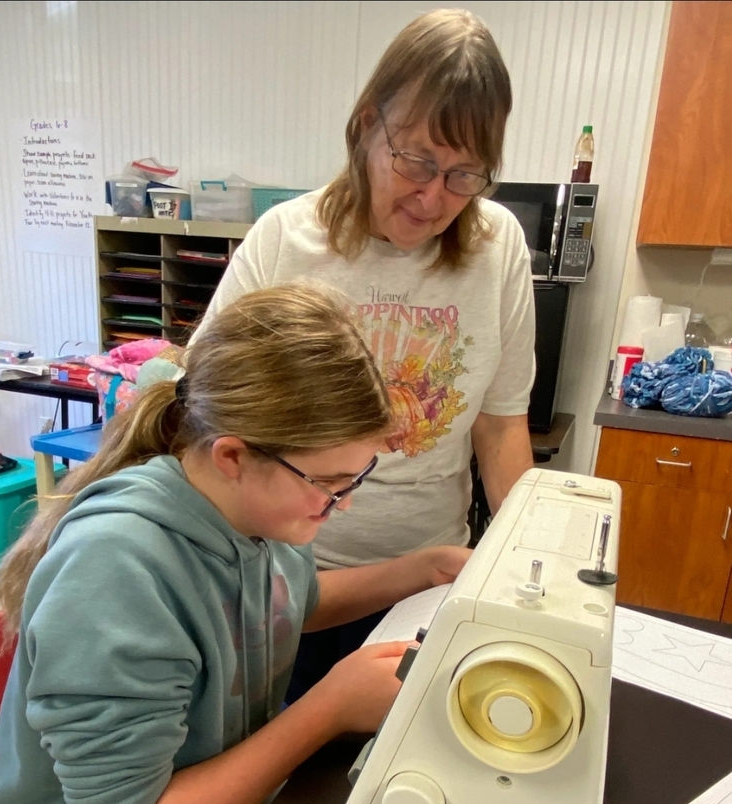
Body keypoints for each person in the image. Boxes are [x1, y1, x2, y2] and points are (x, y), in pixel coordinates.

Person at [0, 284, 469, 804]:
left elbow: (279, 605)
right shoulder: (119, 568)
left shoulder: (245, 518)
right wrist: (325, 710)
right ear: (233, 453)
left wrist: (422, 569)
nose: (343, 505)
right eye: (329, 485)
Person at [192, 8, 536, 700]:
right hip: (285, 582)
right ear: (365, 127)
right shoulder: (284, 239)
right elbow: (202, 407)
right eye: (416, 161)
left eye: (464, 175)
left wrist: (527, 565)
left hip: (427, 579)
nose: (433, 196)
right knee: (281, 766)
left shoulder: (497, 248)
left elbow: (499, 427)